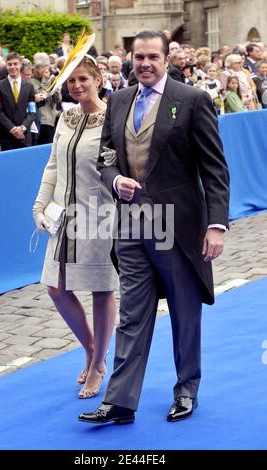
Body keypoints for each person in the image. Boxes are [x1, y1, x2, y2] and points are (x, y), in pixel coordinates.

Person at [79, 30, 229, 425]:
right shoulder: (119, 100)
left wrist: (216, 225)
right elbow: (106, 156)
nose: (144, 63)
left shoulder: (192, 100)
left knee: (184, 310)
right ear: (130, 58)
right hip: (130, 223)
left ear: (166, 59)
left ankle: (186, 389)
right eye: (138, 57)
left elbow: (214, 168)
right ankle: (121, 401)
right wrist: (114, 180)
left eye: (152, 57)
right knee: (132, 313)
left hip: (177, 225)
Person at [32, 54, 119, 399]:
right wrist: (40, 203)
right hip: (63, 215)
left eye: (84, 79)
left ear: (98, 80)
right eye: (71, 81)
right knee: (56, 287)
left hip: (100, 214)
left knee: (101, 289)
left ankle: (99, 364)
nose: (78, 86)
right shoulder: (65, 119)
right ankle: (91, 347)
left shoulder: (113, 117)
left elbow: (120, 165)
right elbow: (53, 164)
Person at [0, 53, 36, 150]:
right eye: (10, 64)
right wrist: (13, 129)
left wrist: (23, 128)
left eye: (15, 64)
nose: (13, 67)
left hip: (25, 136)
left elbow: (32, 112)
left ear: (20, 64)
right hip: (7, 138)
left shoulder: (29, 87)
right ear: (6, 65)